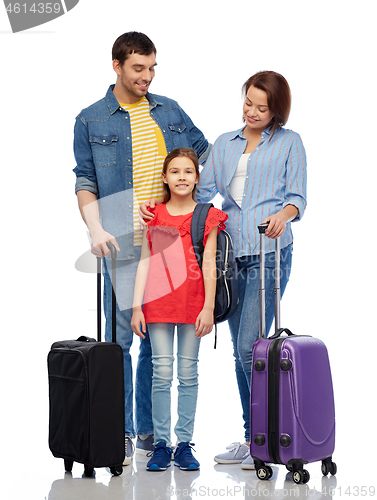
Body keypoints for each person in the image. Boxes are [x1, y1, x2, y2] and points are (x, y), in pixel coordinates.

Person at [140, 71, 307, 469]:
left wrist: (284, 215)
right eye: (248, 102)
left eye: (262, 107)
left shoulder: (290, 143)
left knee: (251, 348)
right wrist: (159, 207)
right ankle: (254, 438)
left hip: (269, 254)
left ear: (277, 110)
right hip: (231, 257)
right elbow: (198, 189)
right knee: (239, 354)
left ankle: (267, 438)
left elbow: (298, 198)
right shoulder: (224, 144)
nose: (252, 112)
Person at [73, 32, 211, 465]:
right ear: (117, 66)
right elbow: (85, 181)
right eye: (138, 68)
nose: (147, 77)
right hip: (121, 244)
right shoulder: (91, 119)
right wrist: (95, 228)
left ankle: (154, 434)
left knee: (157, 344)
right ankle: (123, 431)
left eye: (152, 68)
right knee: (117, 343)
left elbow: (206, 154)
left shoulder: (169, 109)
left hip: (171, 243)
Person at [131, 148, 228, 471]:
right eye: (175, 171)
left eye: (188, 171)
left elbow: (210, 262)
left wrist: (208, 308)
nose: (182, 177)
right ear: (165, 177)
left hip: (193, 305)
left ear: (197, 178)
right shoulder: (154, 215)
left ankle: (184, 443)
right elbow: (145, 262)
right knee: (161, 374)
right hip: (157, 305)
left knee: (188, 374)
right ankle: (161, 444)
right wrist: (137, 308)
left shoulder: (206, 215)